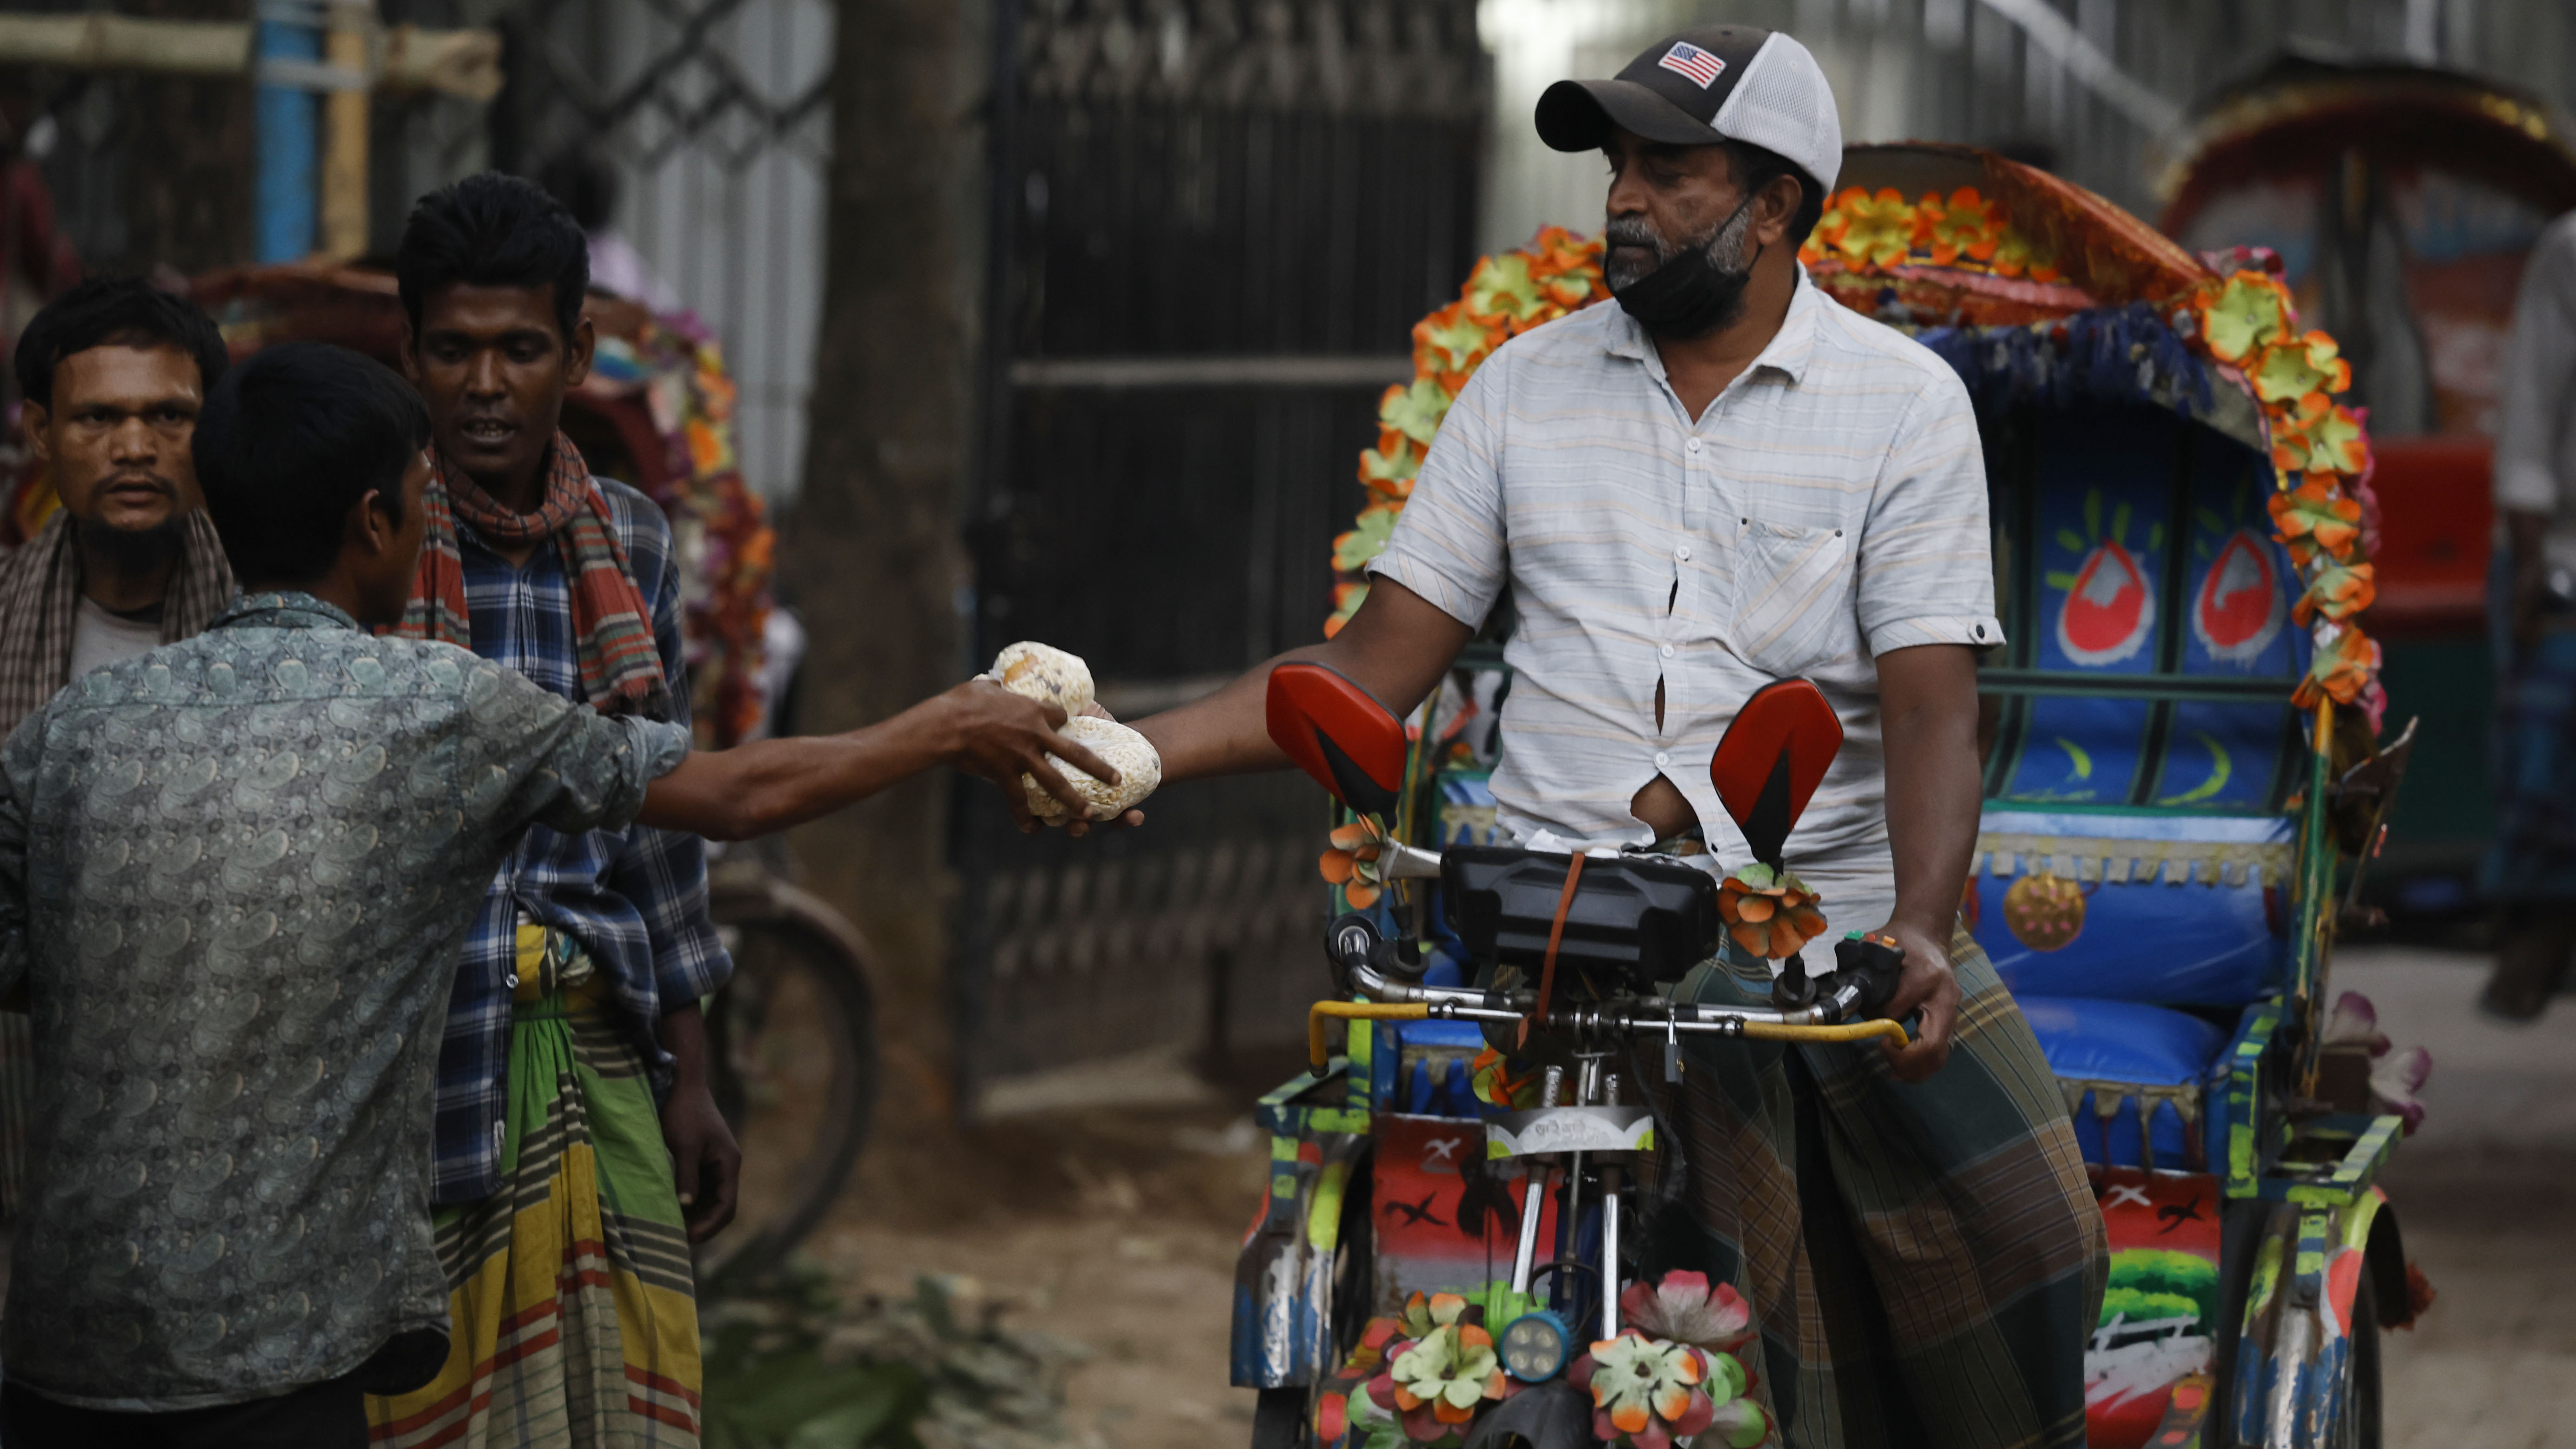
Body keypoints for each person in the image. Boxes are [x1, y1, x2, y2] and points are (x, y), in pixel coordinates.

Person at [1100, 27, 2103, 1448]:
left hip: (1824, 932)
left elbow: (1936, 706)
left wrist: (1928, 932)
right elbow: (1370, 667)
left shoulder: (1904, 407)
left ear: (1774, 205)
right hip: (1551, 924)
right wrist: (1124, 753)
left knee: (2037, 1233)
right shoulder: (1522, 388)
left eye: (1669, 169)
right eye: (1618, 165)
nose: (1624, 197)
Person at [0, 342, 1119, 1446]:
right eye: (419, 498)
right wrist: (949, 723)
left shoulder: (68, 733)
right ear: (375, 524)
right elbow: (726, 797)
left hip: (61, 1357)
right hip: (279, 1366)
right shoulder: (432, 710)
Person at [0, 277, 235, 1227]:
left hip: (225, 1132)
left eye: (168, 417)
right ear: (39, 434)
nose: (134, 447)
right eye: (97, 417)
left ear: (213, 429)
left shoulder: (285, 640)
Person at [2484, 209, 2576, 1019]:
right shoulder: (2570, 249)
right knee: (2545, 762)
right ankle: (2534, 936)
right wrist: (2531, 554)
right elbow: (2533, 407)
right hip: (2561, 554)